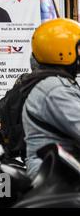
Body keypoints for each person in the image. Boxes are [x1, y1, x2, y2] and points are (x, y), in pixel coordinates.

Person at [23, 18, 80, 179]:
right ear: (63, 51)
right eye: (78, 48)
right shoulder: (54, 89)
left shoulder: (57, 84)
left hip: (63, 169)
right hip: (54, 176)